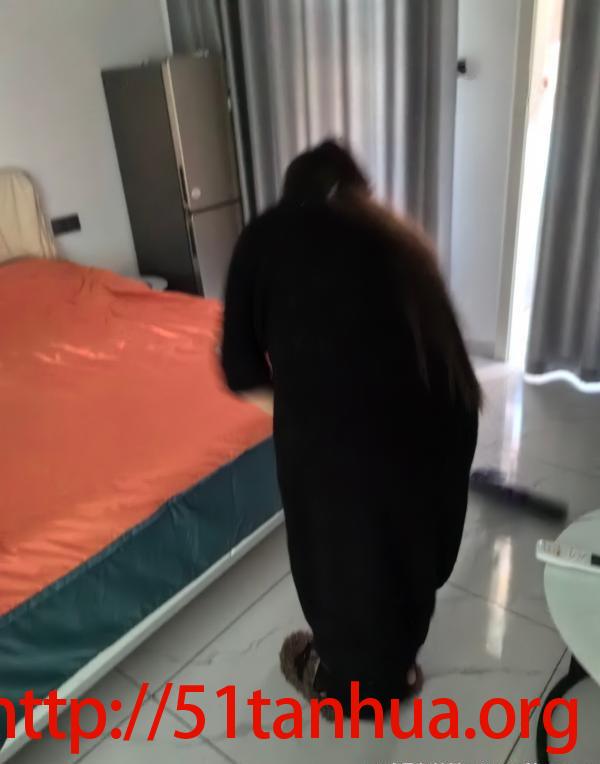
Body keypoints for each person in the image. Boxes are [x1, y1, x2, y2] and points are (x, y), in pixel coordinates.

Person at [221, 140, 480, 714]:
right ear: (360, 191)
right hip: (446, 413)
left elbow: (240, 369)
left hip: (366, 428)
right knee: (407, 539)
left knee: (337, 549)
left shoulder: (264, 236)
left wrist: (302, 410)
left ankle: (352, 686)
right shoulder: (396, 236)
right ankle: (399, 661)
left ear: (292, 194)